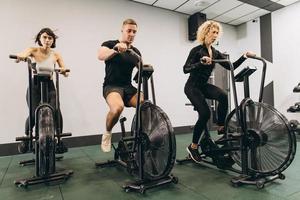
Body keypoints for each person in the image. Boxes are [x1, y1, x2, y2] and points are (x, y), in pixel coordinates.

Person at [183, 20, 255, 163]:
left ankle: (221, 127)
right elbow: (185, 69)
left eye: (217, 33)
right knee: (205, 114)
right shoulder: (197, 50)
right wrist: (200, 63)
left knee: (223, 95)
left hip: (203, 85)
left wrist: (244, 56)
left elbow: (231, 66)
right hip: (192, 87)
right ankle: (193, 147)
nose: (215, 35)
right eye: (212, 32)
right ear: (205, 33)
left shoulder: (215, 53)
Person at [16, 27, 69, 153]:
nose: (47, 40)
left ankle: (59, 139)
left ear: (53, 41)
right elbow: (23, 55)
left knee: (55, 110)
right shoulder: (33, 50)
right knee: (34, 113)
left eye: (50, 38)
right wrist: (20, 57)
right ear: (40, 38)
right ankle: (27, 138)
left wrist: (64, 71)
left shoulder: (55, 54)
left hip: (49, 85)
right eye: (44, 37)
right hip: (35, 85)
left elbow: (64, 69)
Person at [97, 19, 143, 152]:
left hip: (128, 88)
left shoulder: (135, 52)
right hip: (112, 86)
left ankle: (139, 135)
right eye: (129, 31)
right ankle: (107, 134)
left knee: (145, 105)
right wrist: (116, 50)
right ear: (122, 30)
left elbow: (140, 66)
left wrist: (144, 67)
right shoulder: (110, 44)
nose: (132, 34)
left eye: (134, 32)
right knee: (118, 108)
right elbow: (100, 55)